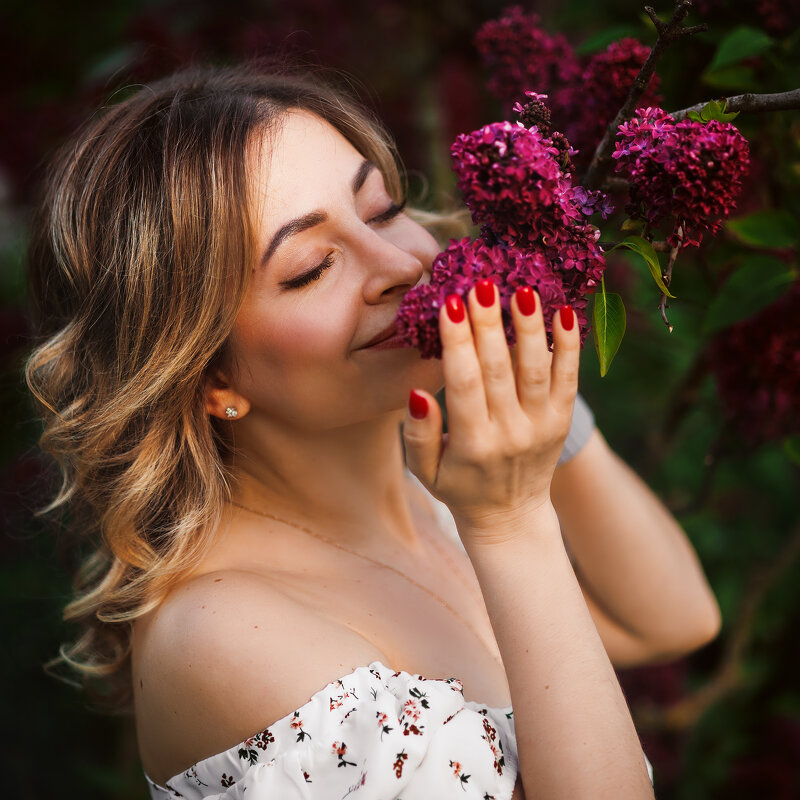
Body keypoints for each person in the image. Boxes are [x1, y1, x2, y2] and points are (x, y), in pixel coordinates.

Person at [25, 64, 721, 799]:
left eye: (382, 209)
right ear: (208, 378)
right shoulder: (222, 638)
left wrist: (524, 380)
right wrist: (513, 523)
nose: (401, 264)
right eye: (311, 267)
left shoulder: (441, 494)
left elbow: (672, 618)